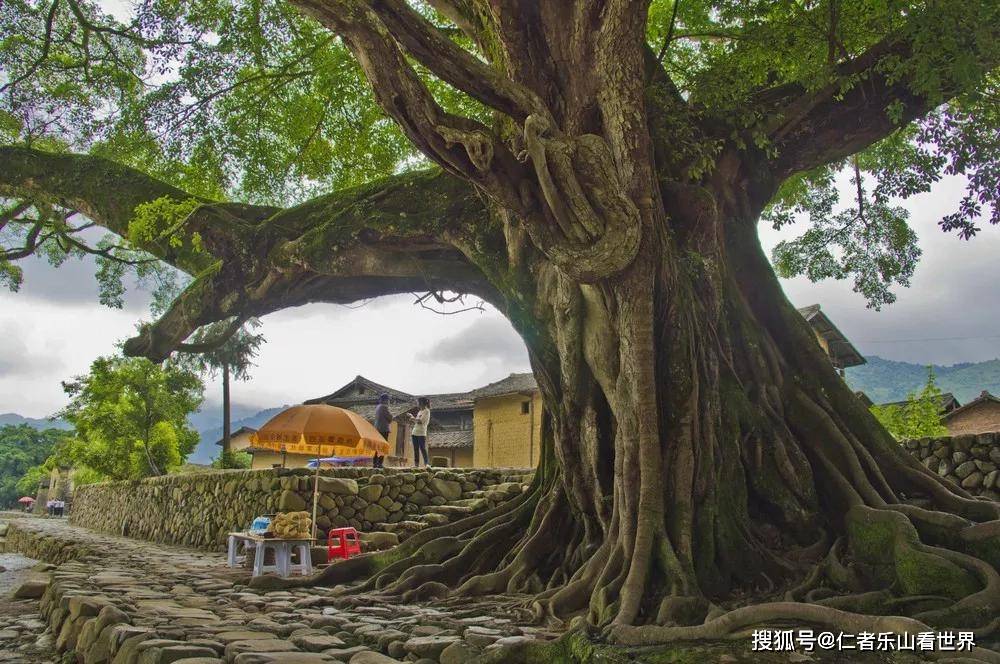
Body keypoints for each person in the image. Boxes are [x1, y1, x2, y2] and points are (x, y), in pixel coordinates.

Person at [407, 397, 431, 467]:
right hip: (415, 432)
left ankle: (426, 463)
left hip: (421, 432)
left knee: (422, 448)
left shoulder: (427, 411)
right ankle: (416, 464)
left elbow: (421, 421)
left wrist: (412, 418)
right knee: (416, 449)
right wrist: (412, 417)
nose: (418, 404)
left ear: (422, 403)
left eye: (418, 402)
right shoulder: (419, 412)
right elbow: (416, 421)